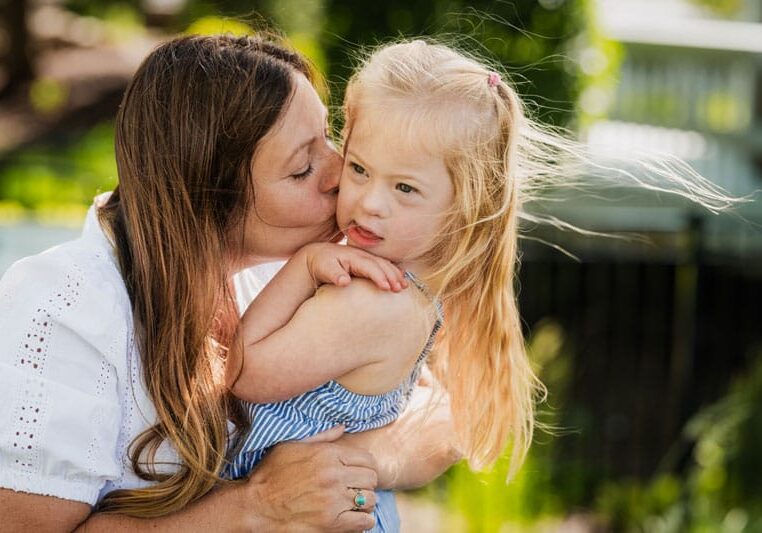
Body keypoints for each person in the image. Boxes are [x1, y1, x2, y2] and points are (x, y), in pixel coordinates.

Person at [224, 38, 742, 532]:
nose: (368, 202)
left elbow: (244, 371)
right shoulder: (413, 288)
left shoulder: (368, 302)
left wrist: (304, 266)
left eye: (405, 187)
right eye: (359, 168)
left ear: (463, 208)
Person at [0, 34, 460, 532]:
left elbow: (444, 413)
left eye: (330, 140)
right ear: (206, 202)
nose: (340, 174)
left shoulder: (290, 264)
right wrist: (258, 504)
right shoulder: (66, 311)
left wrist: (350, 463)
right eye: (302, 168)